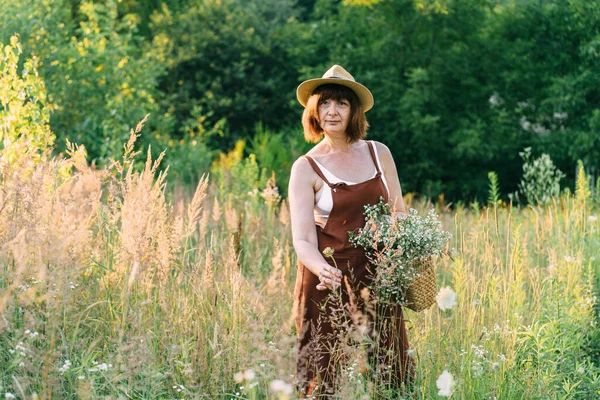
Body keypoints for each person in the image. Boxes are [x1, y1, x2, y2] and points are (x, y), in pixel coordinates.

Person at [289, 65, 414, 397]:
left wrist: (389, 229)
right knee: (322, 375)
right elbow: (301, 239)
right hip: (326, 279)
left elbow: (398, 211)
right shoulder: (306, 167)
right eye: (325, 103)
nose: (332, 111)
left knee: (392, 368)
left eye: (341, 103)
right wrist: (321, 269)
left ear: (353, 111)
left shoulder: (378, 153)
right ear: (314, 110)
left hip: (378, 274)